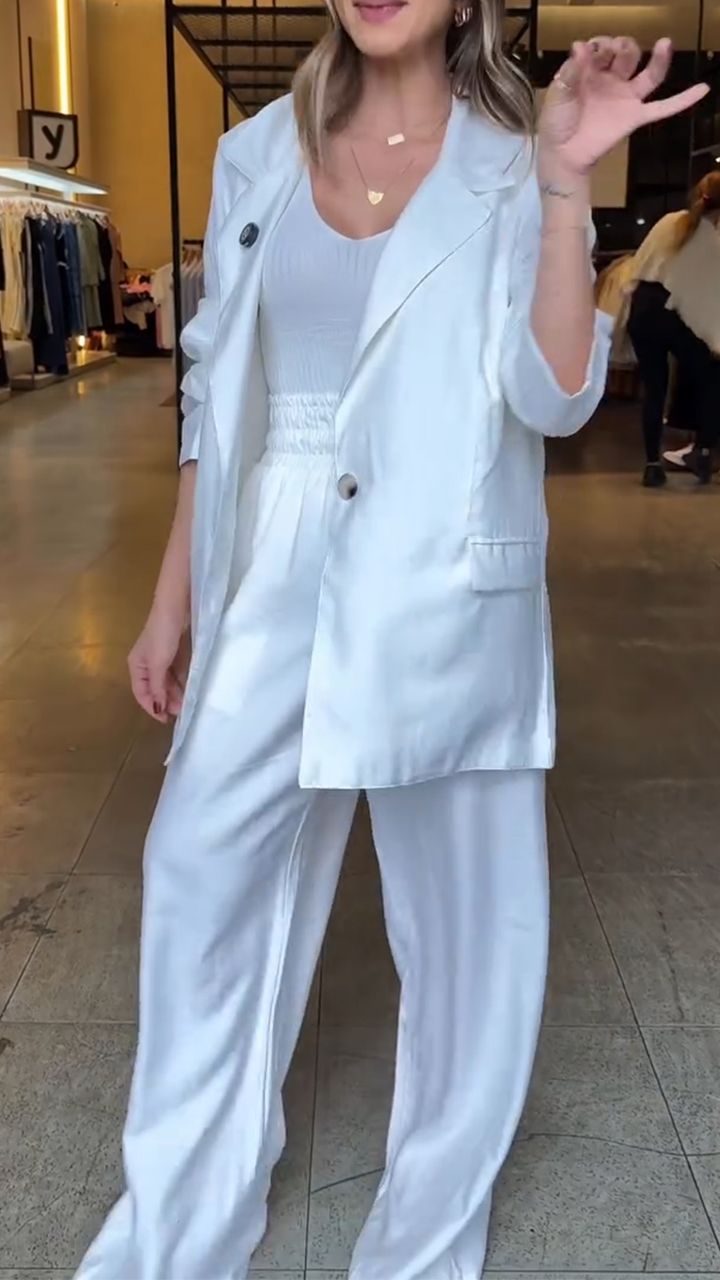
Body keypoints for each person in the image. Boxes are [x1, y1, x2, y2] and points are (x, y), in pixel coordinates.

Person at [74, 11, 704, 1280]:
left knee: (467, 932)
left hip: (443, 569)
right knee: (199, 872)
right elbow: (216, 386)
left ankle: (420, 1239)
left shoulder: (518, 153)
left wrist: (565, 183)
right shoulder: (258, 150)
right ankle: (180, 1217)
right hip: (271, 560)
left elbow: (555, 397)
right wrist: (172, 593)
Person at [626, 170, 720, 487]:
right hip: (673, 315)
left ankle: (652, 465)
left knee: (654, 389)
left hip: (643, 308)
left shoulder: (668, 221)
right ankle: (703, 450)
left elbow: (640, 265)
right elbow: (703, 300)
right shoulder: (710, 241)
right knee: (711, 375)